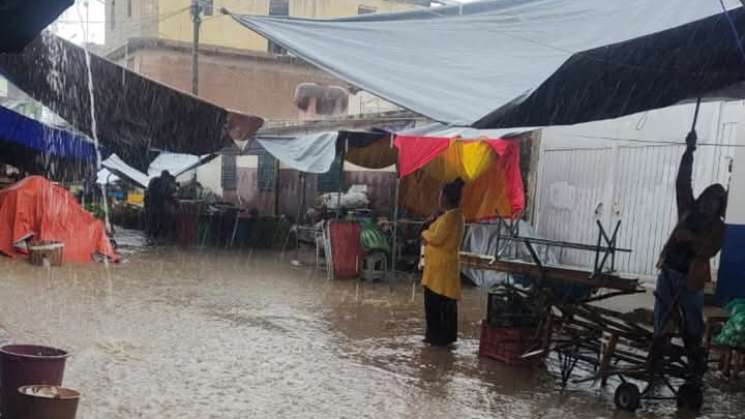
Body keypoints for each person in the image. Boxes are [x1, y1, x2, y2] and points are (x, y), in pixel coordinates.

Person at [653, 130, 727, 377]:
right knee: (662, 314)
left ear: (720, 206)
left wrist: (690, 239)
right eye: (708, 197)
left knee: (692, 320)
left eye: (715, 200)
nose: (709, 202)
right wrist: (689, 152)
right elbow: (682, 182)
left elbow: (709, 250)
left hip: (691, 279)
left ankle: (694, 357)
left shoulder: (718, 228)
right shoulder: (687, 209)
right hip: (669, 270)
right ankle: (658, 350)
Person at [421, 178, 466, 346]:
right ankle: (442, 341)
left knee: (436, 308)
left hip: (439, 273)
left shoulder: (450, 218)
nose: (438, 198)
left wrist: (424, 233)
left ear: (446, 197)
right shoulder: (453, 216)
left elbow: (436, 238)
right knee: (445, 307)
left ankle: (436, 341)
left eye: (440, 195)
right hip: (441, 271)